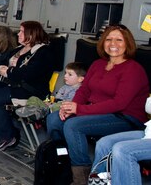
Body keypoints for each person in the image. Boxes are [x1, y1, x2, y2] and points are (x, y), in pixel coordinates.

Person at [46, 24, 148, 184]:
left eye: (119, 40)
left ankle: (82, 177)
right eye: (108, 39)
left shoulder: (133, 69)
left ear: (128, 43)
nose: (113, 44)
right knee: (54, 119)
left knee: (73, 125)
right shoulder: (98, 64)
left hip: (124, 117)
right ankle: (64, 163)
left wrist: (79, 109)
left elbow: (119, 103)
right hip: (97, 112)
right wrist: (70, 107)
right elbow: (84, 90)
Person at [0, 21, 56, 152]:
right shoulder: (18, 49)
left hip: (30, 90)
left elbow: (27, 74)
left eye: (22, 31)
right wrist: (4, 69)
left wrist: (8, 71)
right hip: (12, 84)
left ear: (32, 34)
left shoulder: (43, 52)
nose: (19, 34)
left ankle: (7, 136)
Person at [90, 97, 151, 185]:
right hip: (148, 132)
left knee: (122, 150)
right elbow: (148, 106)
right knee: (104, 143)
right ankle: (98, 183)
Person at [15, 62, 86, 120]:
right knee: (33, 98)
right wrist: (49, 102)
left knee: (60, 105)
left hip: (61, 108)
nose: (65, 76)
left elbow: (71, 104)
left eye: (69, 74)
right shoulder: (64, 87)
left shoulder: (80, 90)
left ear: (80, 79)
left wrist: (54, 104)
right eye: (65, 73)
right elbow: (56, 99)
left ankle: (40, 112)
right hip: (51, 106)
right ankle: (30, 110)